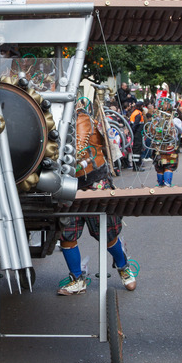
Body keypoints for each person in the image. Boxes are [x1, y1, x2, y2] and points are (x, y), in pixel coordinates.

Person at [58, 108, 137, 295]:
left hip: (95, 183)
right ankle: (77, 279)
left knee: (107, 235)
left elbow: (85, 147)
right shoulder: (48, 119)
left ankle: (123, 266)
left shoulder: (84, 118)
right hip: (67, 185)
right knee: (66, 235)